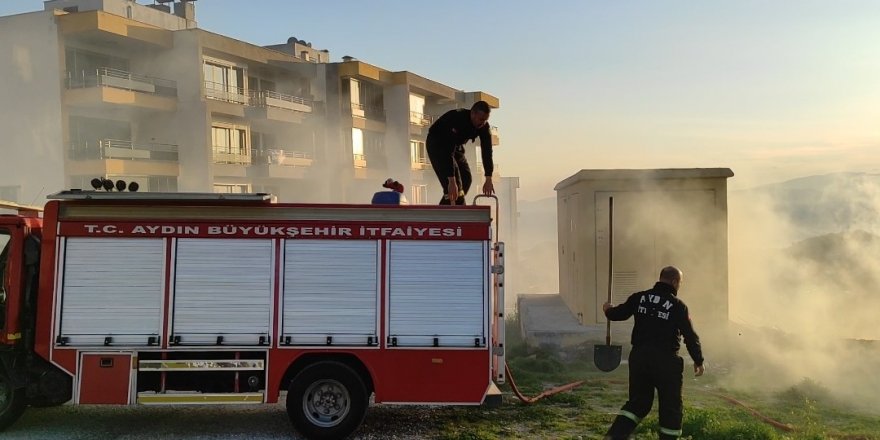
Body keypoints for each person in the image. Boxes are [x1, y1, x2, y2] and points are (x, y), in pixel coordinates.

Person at [602, 266, 705, 440]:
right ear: (674, 282)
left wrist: (608, 309)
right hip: (666, 362)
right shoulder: (678, 306)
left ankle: (614, 436)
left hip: (639, 358)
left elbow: (618, 314)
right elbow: (690, 335)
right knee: (671, 407)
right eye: (680, 283)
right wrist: (698, 360)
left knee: (638, 403)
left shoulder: (640, 297)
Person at [426, 101, 494, 205]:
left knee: (466, 179)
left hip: (456, 146)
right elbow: (447, 150)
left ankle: (454, 206)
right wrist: (451, 180)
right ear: (473, 114)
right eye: (481, 119)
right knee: (454, 184)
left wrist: (488, 177)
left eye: (485, 120)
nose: (483, 123)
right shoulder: (458, 119)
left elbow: (487, 151)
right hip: (437, 143)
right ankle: (447, 214)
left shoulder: (484, 126)